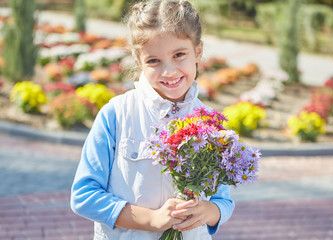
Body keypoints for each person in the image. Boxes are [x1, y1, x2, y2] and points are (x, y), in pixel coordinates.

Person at [70, 0, 235, 239]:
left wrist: (210, 211)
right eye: (153, 61)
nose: (169, 72)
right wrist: (151, 220)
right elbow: (83, 196)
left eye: (179, 55)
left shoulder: (211, 123)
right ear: (139, 60)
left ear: (198, 51)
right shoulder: (116, 114)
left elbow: (224, 201)